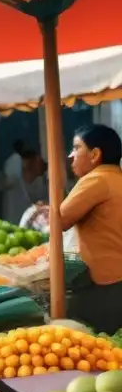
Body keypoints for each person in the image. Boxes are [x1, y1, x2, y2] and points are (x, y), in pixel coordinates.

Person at [60, 124, 122, 331]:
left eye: (76, 148)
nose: (71, 156)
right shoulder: (116, 178)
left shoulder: (97, 178)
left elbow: (59, 220)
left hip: (108, 285)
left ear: (95, 154)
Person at [0, 140, 31, 226]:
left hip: (14, 193)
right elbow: (13, 177)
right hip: (14, 193)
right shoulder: (16, 159)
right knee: (15, 215)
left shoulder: (12, 160)